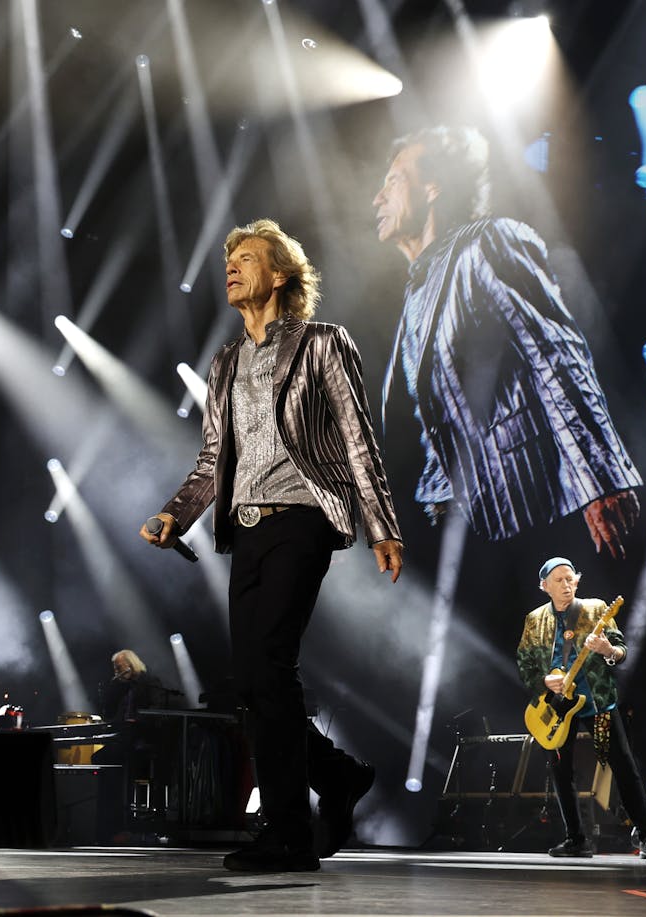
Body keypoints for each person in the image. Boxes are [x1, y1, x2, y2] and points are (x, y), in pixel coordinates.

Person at [141, 218, 404, 873]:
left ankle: (289, 832)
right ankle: (337, 775)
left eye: (246, 258)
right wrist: (176, 514)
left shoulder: (322, 343)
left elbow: (357, 439)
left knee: (271, 667)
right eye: (227, 260)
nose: (229, 267)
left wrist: (383, 524)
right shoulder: (225, 361)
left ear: (281, 274)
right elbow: (210, 462)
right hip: (247, 526)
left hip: (304, 516)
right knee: (252, 687)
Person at [373, 126, 641, 557]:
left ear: (434, 186)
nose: (377, 197)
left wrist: (601, 479)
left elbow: (555, 354)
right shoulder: (416, 292)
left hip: (535, 508)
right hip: (474, 527)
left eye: (393, 180)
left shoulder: (488, 242)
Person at [516, 557, 646, 859]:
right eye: (558, 580)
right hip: (559, 708)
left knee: (623, 766)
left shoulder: (596, 609)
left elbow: (620, 649)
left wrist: (609, 651)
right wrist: (544, 682)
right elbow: (524, 662)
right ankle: (576, 838)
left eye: (570, 578)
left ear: (578, 581)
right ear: (544, 586)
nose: (566, 585)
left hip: (596, 701)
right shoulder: (535, 619)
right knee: (561, 771)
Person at [99, 649, 174, 722]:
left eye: (119, 668)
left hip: (145, 729)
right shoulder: (127, 685)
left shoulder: (150, 681)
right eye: (115, 669)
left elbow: (156, 708)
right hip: (127, 728)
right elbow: (122, 713)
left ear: (130, 665)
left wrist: (137, 720)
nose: (116, 673)